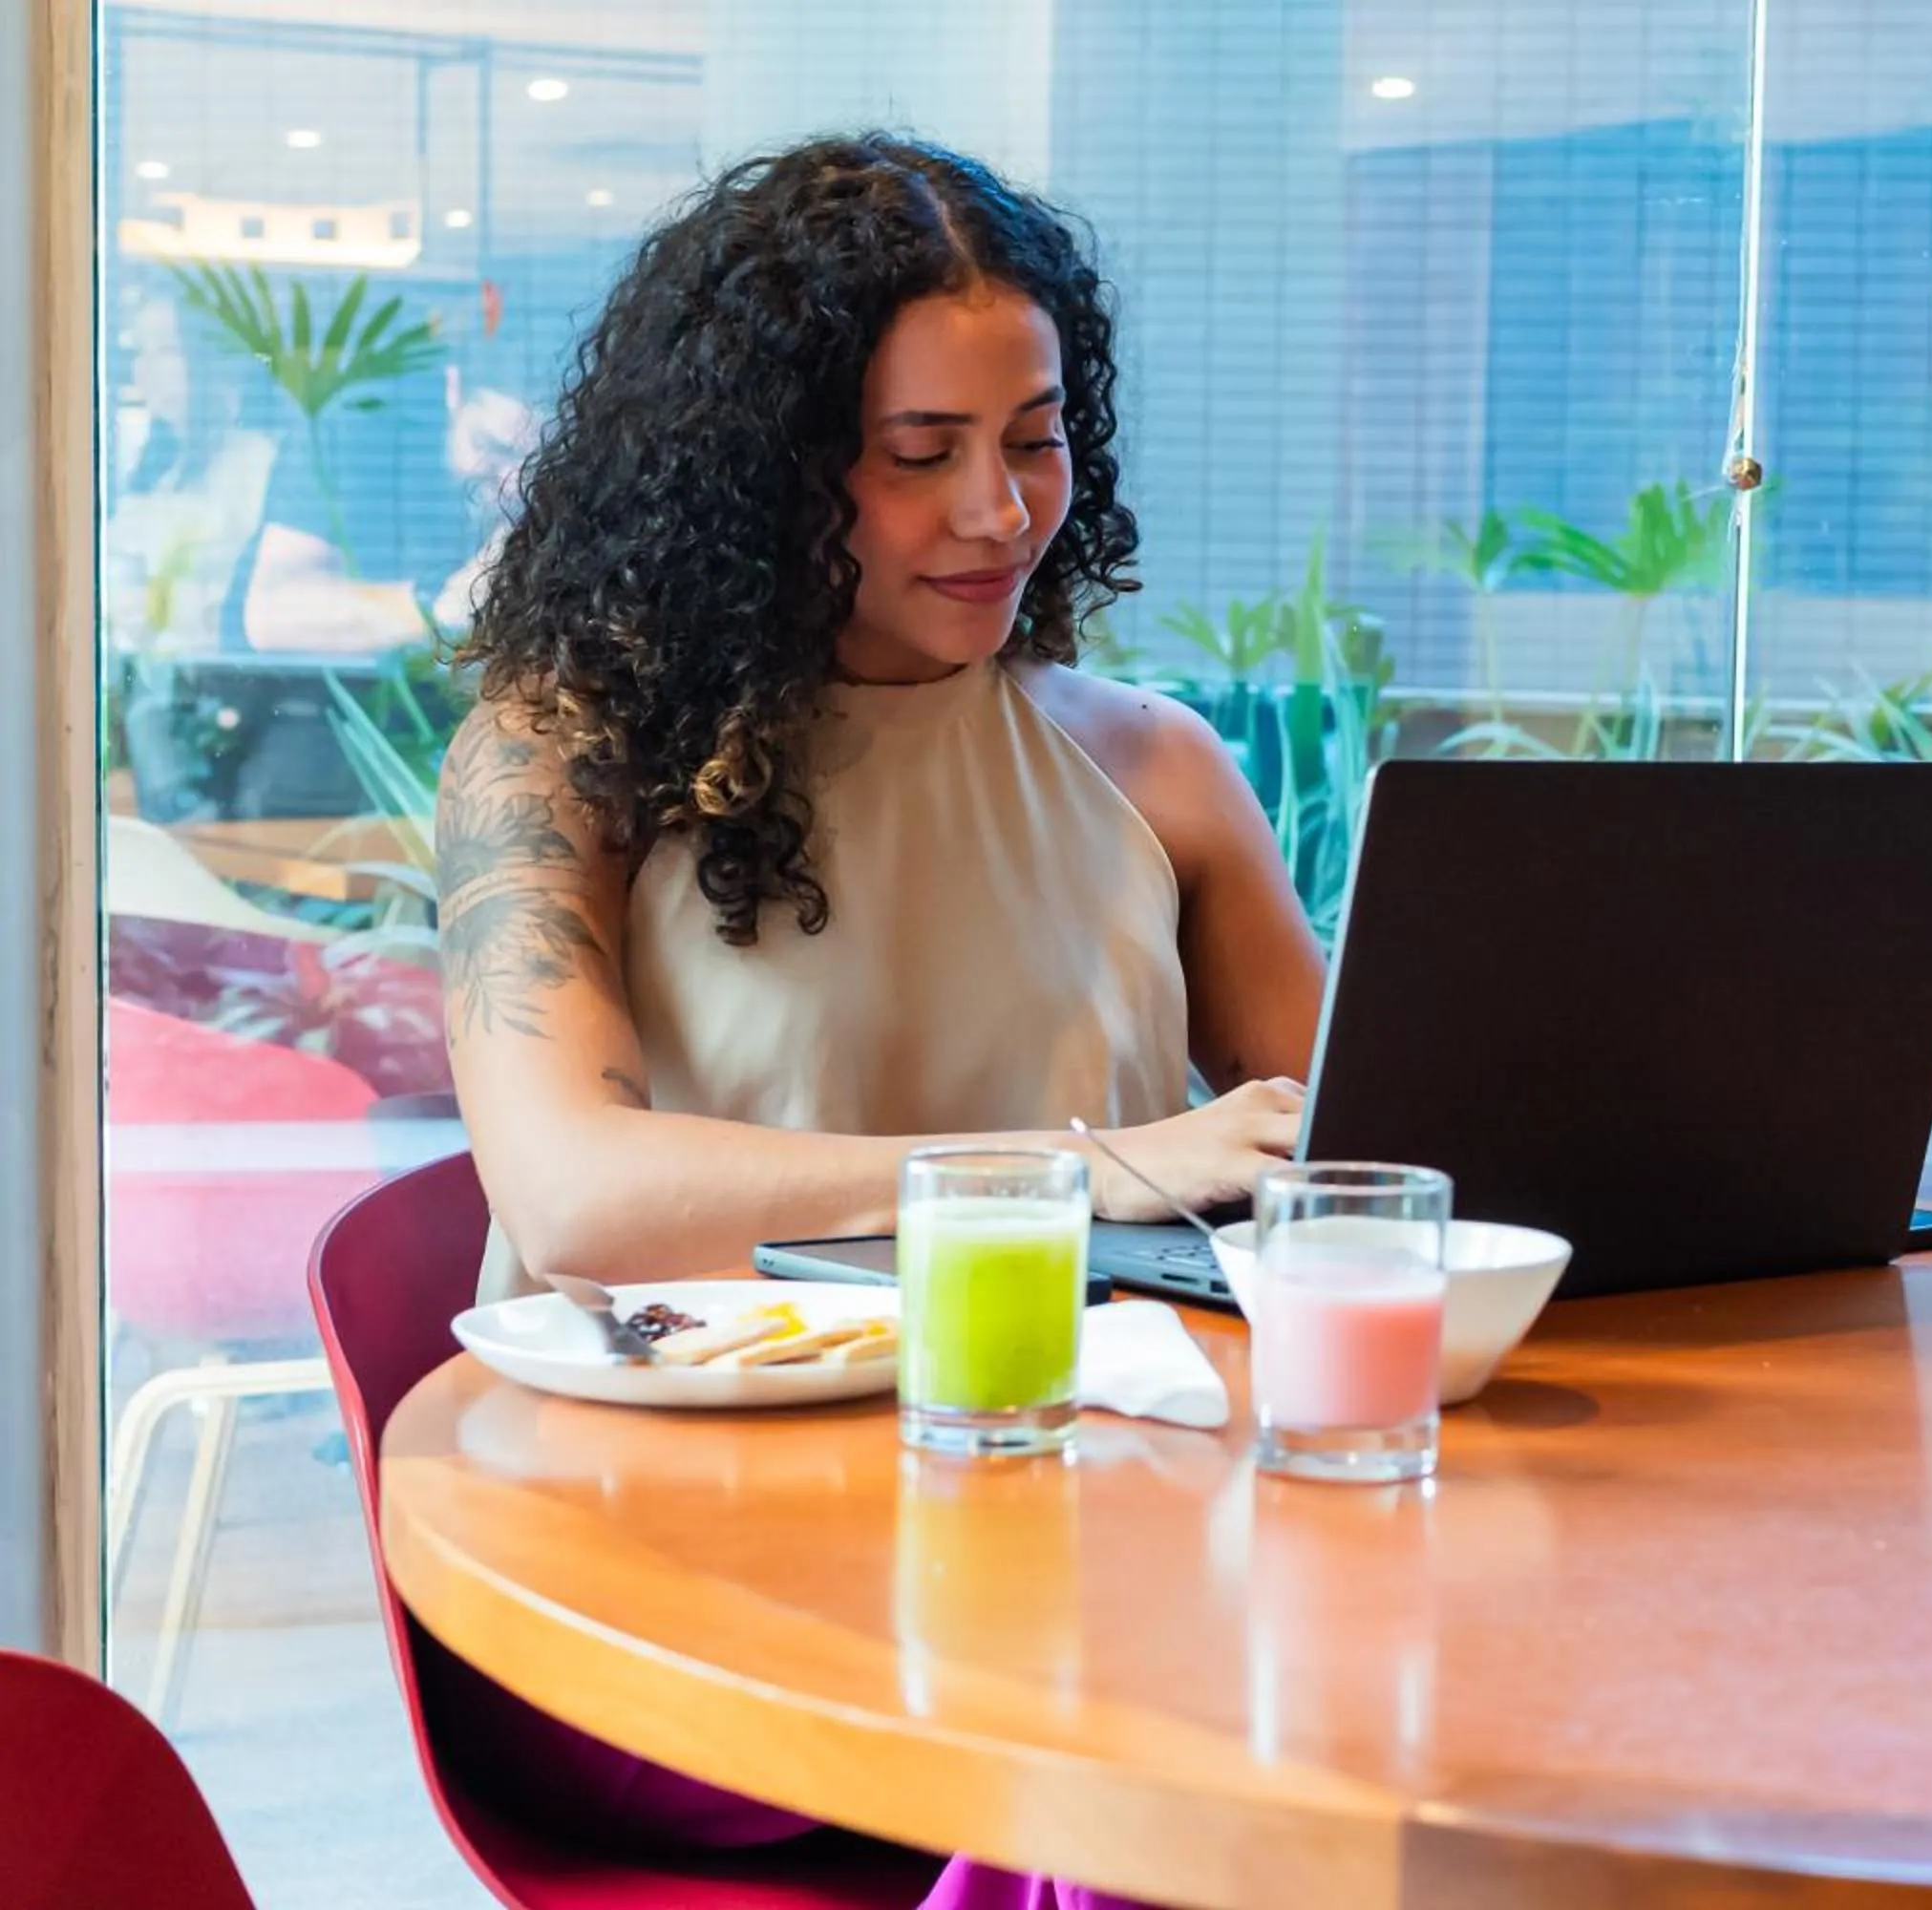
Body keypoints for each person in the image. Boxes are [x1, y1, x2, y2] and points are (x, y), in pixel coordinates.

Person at [437, 132, 1326, 1910]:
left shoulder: (1153, 767)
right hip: (663, 1579)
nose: (999, 512)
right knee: (1169, 1746)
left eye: (1036, 439)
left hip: (1060, 1540)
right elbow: (575, 1197)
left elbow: (1359, 1145)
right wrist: (1089, 1174)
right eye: (921, 455)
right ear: (764, 473)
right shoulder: (558, 762)